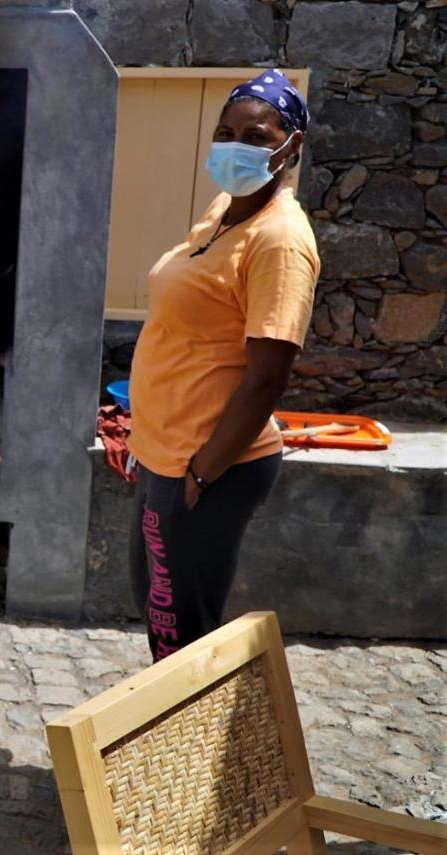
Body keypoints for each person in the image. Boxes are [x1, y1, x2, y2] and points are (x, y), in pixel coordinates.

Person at [127, 70, 320, 662]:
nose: (236, 146)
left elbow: (267, 376)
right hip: (166, 452)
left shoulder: (280, 240)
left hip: (209, 463)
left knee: (181, 633)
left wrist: (202, 476)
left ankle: (203, 752)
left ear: (291, 148)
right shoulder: (224, 210)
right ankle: (181, 748)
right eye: (226, 132)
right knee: (163, 621)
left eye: (256, 136)